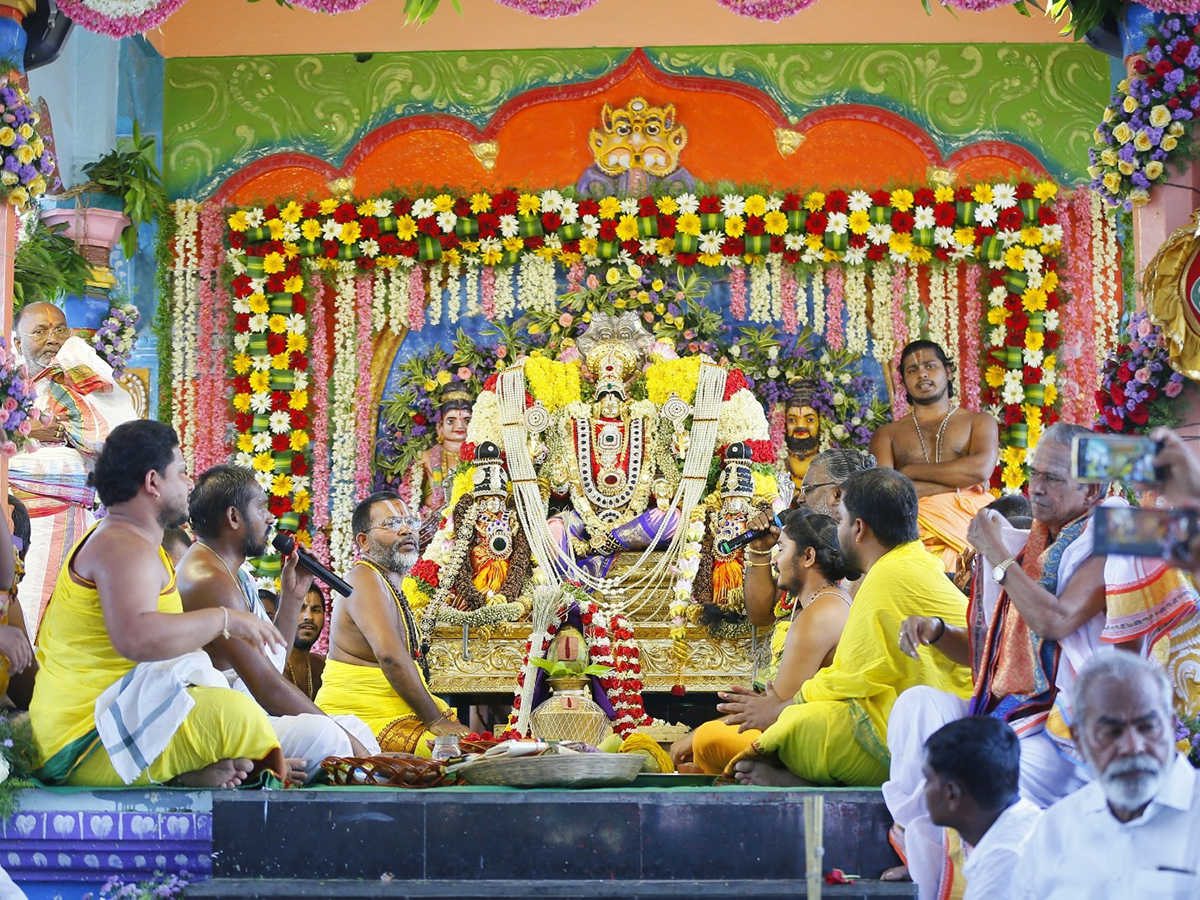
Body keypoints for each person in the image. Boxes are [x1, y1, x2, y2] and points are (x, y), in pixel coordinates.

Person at [883, 422, 1195, 898]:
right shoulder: (1033, 540)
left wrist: (995, 555)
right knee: (918, 707)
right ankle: (928, 854)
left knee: (987, 771)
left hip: (1065, 725)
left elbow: (1055, 622)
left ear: (1092, 488)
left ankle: (972, 874)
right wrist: (939, 631)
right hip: (1010, 711)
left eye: (1052, 478)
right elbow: (1000, 654)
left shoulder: (1117, 533)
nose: (1036, 487)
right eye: (1034, 474)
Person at [30, 420, 286, 787]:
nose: (188, 483)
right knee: (240, 719)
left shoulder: (129, 541)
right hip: (83, 742)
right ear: (153, 483)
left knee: (231, 712)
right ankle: (181, 772)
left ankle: (182, 773)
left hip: (102, 725)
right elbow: (136, 637)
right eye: (181, 473)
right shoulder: (123, 546)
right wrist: (225, 618)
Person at [728, 468, 972, 787]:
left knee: (799, 728)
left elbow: (849, 676)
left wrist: (779, 711)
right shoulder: (909, 563)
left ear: (858, 528)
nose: (838, 529)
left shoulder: (887, 576)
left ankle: (808, 782)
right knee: (799, 718)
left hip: (938, 731)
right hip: (934, 714)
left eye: (841, 520)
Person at [177, 465, 375, 782]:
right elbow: (266, 685)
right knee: (328, 736)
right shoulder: (209, 578)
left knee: (353, 727)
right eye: (261, 506)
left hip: (246, 714)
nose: (270, 518)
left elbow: (269, 659)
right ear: (233, 517)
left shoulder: (233, 573)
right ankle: (384, 779)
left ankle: (377, 774)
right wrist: (350, 743)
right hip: (219, 726)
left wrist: (292, 596)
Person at [671, 508, 858, 774]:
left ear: (808, 557)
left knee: (707, 740)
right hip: (808, 727)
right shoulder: (825, 601)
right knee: (710, 742)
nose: (775, 560)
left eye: (781, 549)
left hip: (819, 738)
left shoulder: (819, 615)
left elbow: (773, 713)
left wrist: (696, 734)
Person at [1013, 651, 1200, 898]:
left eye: (1147, 727)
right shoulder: (1054, 831)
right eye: (1111, 732)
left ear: (1169, 724)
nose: (1133, 747)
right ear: (1078, 739)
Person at [10, 302, 138, 635]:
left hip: (59, 523)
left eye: (61, 330)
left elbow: (110, 442)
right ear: (16, 342)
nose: (52, 338)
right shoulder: (8, 383)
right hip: (9, 522)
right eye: (40, 331)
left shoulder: (79, 379)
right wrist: (27, 429)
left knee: (44, 625)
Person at [315, 492, 468, 754]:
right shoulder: (364, 579)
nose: (406, 530)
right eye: (392, 524)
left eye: (410, 521)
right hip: (360, 720)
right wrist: (436, 721)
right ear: (363, 541)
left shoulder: (388, 582)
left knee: (474, 746)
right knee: (459, 752)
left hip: (392, 714)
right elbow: (391, 657)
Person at [869, 340, 999, 572]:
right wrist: (960, 486)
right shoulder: (886, 435)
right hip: (910, 544)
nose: (922, 374)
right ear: (904, 381)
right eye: (912, 370)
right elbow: (884, 494)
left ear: (948, 372)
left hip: (970, 539)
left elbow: (980, 470)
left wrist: (908, 473)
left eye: (930, 366)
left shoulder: (979, 422)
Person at [742, 448, 876, 630]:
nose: (800, 498)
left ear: (838, 494)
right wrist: (759, 551)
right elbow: (761, 616)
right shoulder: (809, 547)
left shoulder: (870, 556)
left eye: (807, 489)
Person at [922, 717, 1040, 900]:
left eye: (928, 779)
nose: (924, 790)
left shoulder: (1004, 860)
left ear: (952, 793)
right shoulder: (1026, 818)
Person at [415, 387, 473, 547]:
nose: (460, 425)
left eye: (467, 420)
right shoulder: (426, 457)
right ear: (439, 427)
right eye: (451, 420)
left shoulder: (480, 456)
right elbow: (411, 499)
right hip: (431, 530)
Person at [285, 585, 327, 701]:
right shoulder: (272, 665)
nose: (309, 617)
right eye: (300, 609)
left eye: (315, 610)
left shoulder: (322, 666)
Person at [782, 385, 822, 496]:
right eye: (792, 420)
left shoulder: (832, 461)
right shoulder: (776, 462)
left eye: (809, 419)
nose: (800, 426)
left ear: (820, 421)